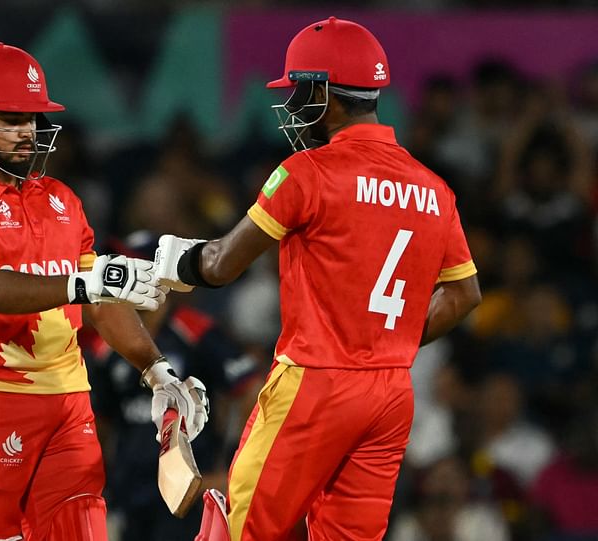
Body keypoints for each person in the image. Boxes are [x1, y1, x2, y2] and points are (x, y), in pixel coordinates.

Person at [155, 17, 482, 541]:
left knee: (236, 531)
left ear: (325, 95)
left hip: (316, 383)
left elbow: (219, 265)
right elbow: (465, 294)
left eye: (299, 91)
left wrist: (168, 261)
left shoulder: (306, 171)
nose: (292, 106)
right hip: (392, 391)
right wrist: (383, 344)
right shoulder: (434, 189)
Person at [0, 43, 209, 541]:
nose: (28, 131)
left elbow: (99, 304)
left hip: (69, 400)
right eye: (11, 118)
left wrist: (157, 372)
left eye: (32, 117)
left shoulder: (62, 200)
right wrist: (84, 283)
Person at [81, 231, 263, 541]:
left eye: (136, 266)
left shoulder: (194, 331)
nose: (126, 275)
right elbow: (100, 420)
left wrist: (231, 470)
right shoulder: (106, 342)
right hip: (129, 493)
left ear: (160, 276)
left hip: (185, 493)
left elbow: (251, 394)